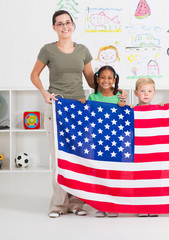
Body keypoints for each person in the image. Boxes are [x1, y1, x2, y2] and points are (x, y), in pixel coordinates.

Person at [30, 10, 127, 218]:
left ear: (73, 25)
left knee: (78, 157)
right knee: (59, 158)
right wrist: (45, 93)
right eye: (60, 23)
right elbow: (34, 75)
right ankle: (58, 204)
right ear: (54, 27)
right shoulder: (47, 50)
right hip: (57, 107)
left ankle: (76, 202)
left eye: (68, 22)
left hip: (80, 109)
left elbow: (93, 81)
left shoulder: (82, 50)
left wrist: (115, 90)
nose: (64, 26)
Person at [85, 65, 127, 218]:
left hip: (115, 142)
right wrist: (81, 104)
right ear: (97, 79)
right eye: (102, 77)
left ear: (114, 80)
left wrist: (124, 105)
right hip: (97, 142)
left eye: (109, 78)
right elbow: (87, 115)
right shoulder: (93, 97)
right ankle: (100, 205)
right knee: (100, 173)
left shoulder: (119, 97)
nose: (106, 80)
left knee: (114, 173)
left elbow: (126, 114)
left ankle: (113, 204)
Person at [134, 77, 169, 217]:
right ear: (136, 93)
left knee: (154, 178)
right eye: (142, 91)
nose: (146, 94)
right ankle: (141, 207)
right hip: (139, 152)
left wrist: (165, 108)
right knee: (140, 178)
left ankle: (153, 207)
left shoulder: (158, 110)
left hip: (154, 152)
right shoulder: (132, 110)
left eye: (149, 91)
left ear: (154, 93)